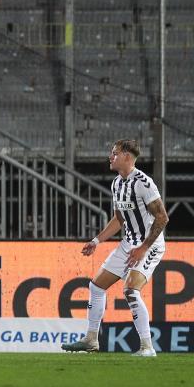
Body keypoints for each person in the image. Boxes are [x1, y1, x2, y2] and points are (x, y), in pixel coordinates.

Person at [62, 139, 168, 357]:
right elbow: (119, 219)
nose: (110, 157)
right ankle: (91, 339)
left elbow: (162, 217)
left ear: (127, 156)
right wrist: (96, 241)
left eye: (115, 153)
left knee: (130, 290)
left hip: (150, 245)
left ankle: (147, 347)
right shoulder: (117, 184)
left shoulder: (143, 183)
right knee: (96, 287)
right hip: (129, 243)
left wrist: (143, 248)